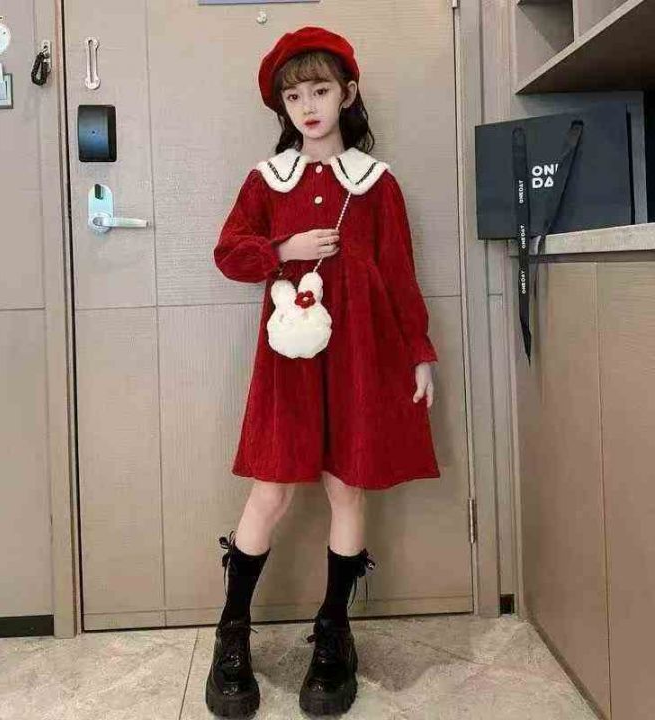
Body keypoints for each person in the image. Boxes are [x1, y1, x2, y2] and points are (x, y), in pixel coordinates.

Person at [206, 26, 441, 718]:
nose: (308, 106)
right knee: (271, 488)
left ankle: (334, 635)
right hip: (288, 360)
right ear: (282, 106)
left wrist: (419, 351)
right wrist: (283, 248)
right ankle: (231, 632)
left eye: (319, 90)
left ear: (347, 94)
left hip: (361, 354)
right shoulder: (266, 179)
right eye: (294, 96)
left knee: (346, 486)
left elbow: (399, 274)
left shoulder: (377, 184)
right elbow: (230, 251)